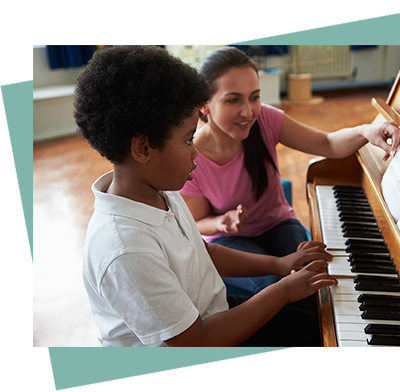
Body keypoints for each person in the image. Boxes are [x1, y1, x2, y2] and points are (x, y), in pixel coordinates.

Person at [75, 45, 337, 347]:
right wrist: (283, 290)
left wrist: (279, 265)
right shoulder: (125, 249)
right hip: (200, 344)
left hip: (214, 312)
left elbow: (202, 253)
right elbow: (196, 343)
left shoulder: (156, 190)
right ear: (142, 148)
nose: (196, 150)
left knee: (321, 319)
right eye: (188, 139)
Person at [180, 46, 400, 295]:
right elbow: (198, 223)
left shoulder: (266, 119)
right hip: (228, 240)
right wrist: (222, 221)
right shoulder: (191, 156)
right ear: (204, 105)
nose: (248, 111)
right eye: (233, 99)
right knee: (274, 288)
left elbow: (327, 143)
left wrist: (364, 131)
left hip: (278, 224)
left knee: (314, 273)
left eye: (254, 96)